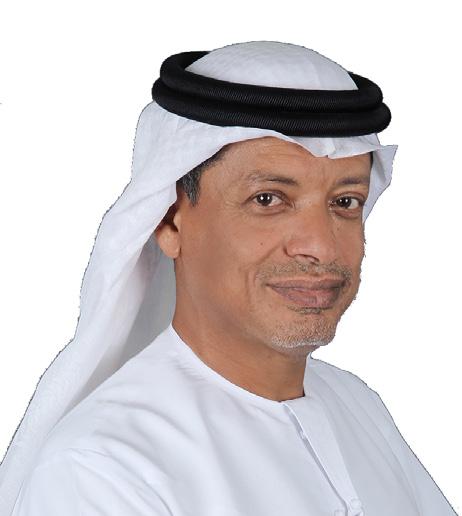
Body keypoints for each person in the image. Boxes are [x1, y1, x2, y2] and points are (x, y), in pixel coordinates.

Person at [1, 41, 457, 516]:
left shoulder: (356, 404)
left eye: (345, 202)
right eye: (268, 200)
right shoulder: (102, 473)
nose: (321, 247)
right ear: (170, 221)